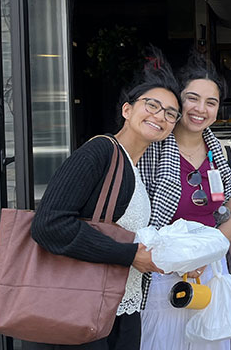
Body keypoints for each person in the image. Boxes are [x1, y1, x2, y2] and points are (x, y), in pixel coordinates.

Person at [28, 54, 177, 350]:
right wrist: (128, 254)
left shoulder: (132, 166)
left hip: (119, 307)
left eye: (171, 113)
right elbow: (48, 225)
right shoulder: (99, 152)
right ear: (126, 109)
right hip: (80, 307)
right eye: (152, 105)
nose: (160, 116)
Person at [138, 52, 231, 350]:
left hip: (209, 269)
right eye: (192, 98)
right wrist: (175, 256)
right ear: (178, 101)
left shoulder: (225, 155)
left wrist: (203, 252)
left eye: (210, 102)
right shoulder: (149, 149)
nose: (201, 109)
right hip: (160, 270)